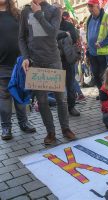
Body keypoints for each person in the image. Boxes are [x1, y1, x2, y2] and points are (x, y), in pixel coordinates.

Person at [19, 0, 76, 145]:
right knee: (42, 101)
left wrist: (38, 13)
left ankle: (65, 128)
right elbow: (21, 37)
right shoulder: (25, 11)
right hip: (35, 62)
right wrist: (25, 57)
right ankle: (50, 132)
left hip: (53, 60)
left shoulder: (54, 10)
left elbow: (52, 33)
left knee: (61, 99)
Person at [0, 0, 36, 140]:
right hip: (1, 65)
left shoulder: (18, 14)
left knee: (20, 94)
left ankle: (23, 122)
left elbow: (28, 35)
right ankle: (6, 127)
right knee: (4, 98)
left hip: (20, 63)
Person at [86, 0, 108, 100]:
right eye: (88, 6)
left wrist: (101, 43)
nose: (90, 9)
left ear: (98, 6)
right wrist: (87, 50)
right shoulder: (89, 19)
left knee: (106, 76)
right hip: (92, 53)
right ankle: (102, 92)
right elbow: (88, 35)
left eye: (91, 6)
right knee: (95, 75)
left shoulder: (107, 18)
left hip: (104, 53)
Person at [53, 5, 81, 117]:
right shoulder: (49, 25)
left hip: (67, 59)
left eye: (58, 12)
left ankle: (71, 106)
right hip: (54, 59)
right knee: (57, 87)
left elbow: (73, 38)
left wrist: (59, 36)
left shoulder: (68, 24)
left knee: (70, 84)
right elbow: (49, 38)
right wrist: (64, 35)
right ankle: (61, 108)